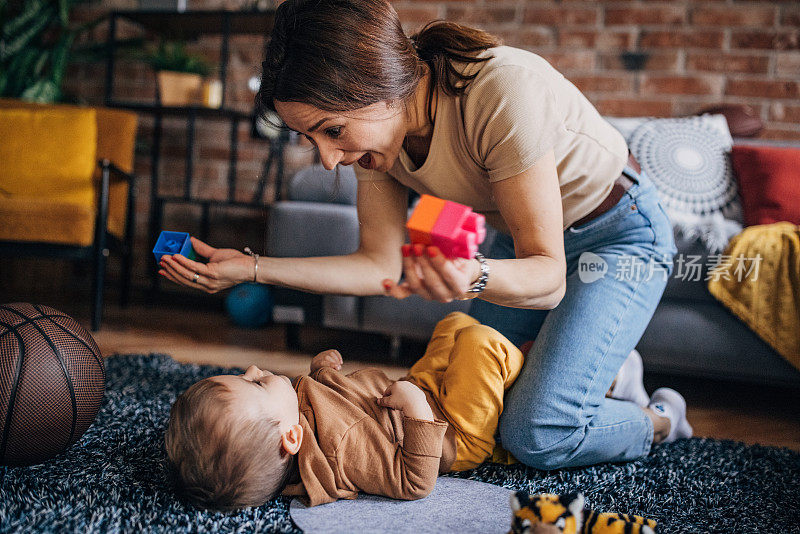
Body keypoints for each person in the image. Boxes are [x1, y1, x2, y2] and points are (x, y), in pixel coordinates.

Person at [159, 0, 691, 472]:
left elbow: (548, 279)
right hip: (519, 248)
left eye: (333, 130)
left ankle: (661, 416)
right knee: (460, 402)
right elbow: (380, 267)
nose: (325, 159)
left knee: (535, 433)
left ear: (377, 84)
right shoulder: (379, 143)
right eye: (308, 138)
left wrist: (474, 275)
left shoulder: (499, 91)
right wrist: (250, 268)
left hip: (618, 238)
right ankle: (607, 373)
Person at [164, 312, 657, 510]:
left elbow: (326, 394)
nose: (253, 367)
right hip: (453, 433)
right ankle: (601, 386)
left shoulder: (296, 416)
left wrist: (323, 368)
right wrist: (421, 414)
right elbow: (413, 481)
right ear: (290, 439)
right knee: (481, 344)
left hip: (420, 389)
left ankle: (580, 379)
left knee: (456, 323)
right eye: (254, 382)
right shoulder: (341, 448)